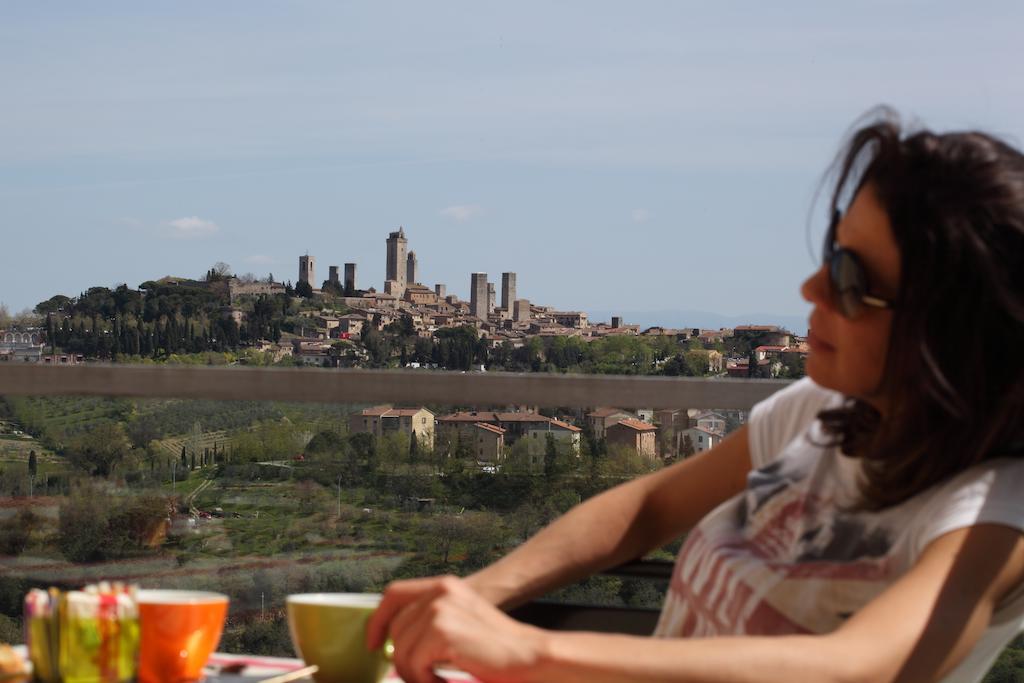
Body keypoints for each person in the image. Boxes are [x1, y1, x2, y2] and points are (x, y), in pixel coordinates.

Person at [367, 110, 1024, 683]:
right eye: (833, 250)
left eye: (851, 278)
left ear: (951, 331)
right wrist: (478, 595)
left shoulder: (995, 510)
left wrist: (530, 651)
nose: (811, 289)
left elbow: (859, 666)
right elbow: (650, 505)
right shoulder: (820, 415)